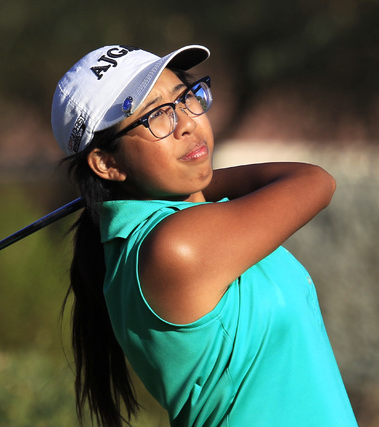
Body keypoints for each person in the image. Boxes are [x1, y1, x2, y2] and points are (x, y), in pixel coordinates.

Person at [51, 44, 358, 427]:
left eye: (184, 98)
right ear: (107, 163)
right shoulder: (175, 247)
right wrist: (195, 184)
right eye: (155, 116)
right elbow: (315, 182)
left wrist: (180, 186)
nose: (186, 123)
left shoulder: (181, 225)